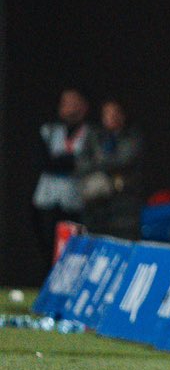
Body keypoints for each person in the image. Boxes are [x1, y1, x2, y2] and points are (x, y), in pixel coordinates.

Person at [32, 88, 94, 266]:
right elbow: (42, 161)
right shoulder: (49, 130)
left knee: (74, 245)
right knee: (47, 242)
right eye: (67, 103)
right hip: (47, 198)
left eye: (76, 103)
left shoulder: (91, 133)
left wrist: (62, 161)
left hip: (77, 199)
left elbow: (87, 163)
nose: (71, 108)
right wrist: (69, 162)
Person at [77, 99, 144, 239]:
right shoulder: (94, 136)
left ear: (123, 115)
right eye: (107, 113)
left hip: (123, 205)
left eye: (115, 113)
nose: (111, 117)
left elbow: (123, 161)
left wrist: (99, 163)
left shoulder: (132, 136)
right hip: (96, 207)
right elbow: (82, 162)